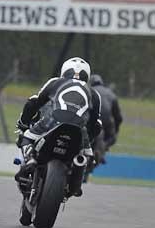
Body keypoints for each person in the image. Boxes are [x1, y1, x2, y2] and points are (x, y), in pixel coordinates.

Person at [15, 57, 102, 197]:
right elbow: (95, 124)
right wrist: (87, 144)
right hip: (80, 131)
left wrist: (23, 124)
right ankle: (77, 180)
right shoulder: (94, 94)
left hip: (52, 122)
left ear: (64, 71)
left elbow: (34, 102)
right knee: (87, 156)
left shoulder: (55, 82)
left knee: (27, 137)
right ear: (87, 75)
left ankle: (30, 159)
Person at [89, 74, 123, 157]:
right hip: (107, 122)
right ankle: (103, 148)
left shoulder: (88, 90)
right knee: (112, 137)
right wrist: (115, 132)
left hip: (92, 120)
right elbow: (118, 118)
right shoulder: (111, 94)